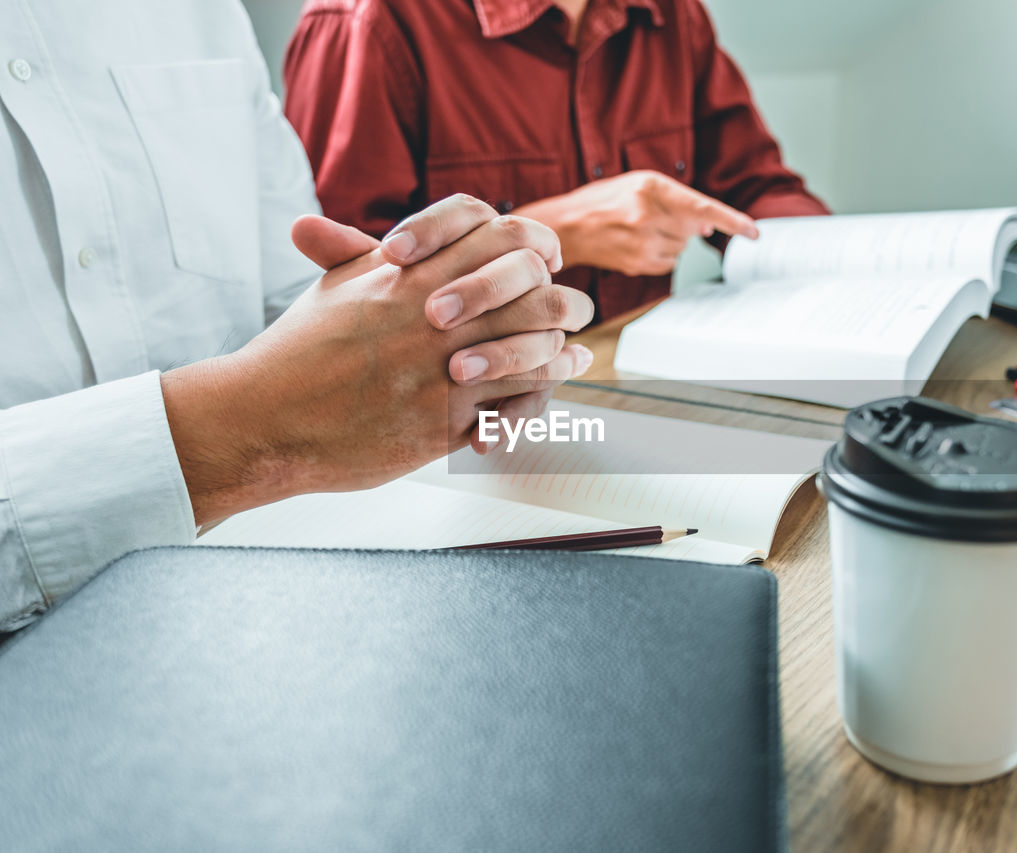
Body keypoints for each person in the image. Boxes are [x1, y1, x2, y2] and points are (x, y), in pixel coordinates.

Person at [0, 0, 595, 631]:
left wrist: (436, 338)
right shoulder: (369, 23)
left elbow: (300, 302)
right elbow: (291, 389)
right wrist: (242, 429)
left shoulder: (202, 14)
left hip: (269, 594)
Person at [282, 0, 831, 321]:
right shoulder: (366, 23)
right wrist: (558, 231)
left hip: (634, 388)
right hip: (459, 426)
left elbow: (755, 188)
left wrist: (844, 261)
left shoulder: (673, 14)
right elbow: (338, 306)